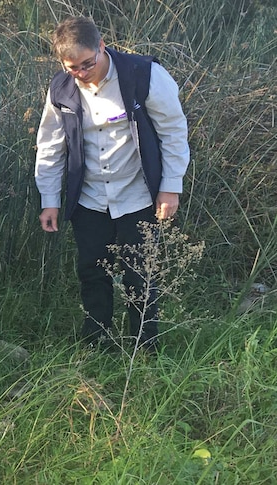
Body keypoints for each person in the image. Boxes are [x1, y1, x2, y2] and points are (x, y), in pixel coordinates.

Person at [34, 16, 190, 350]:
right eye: (72, 67)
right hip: (89, 198)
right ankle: (97, 344)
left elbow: (174, 131)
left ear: (102, 45)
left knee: (140, 274)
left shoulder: (144, 74)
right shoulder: (60, 88)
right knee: (92, 271)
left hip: (139, 194)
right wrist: (50, 198)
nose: (81, 73)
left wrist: (171, 186)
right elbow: (49, 145)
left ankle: (145, 348)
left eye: (87, 63)